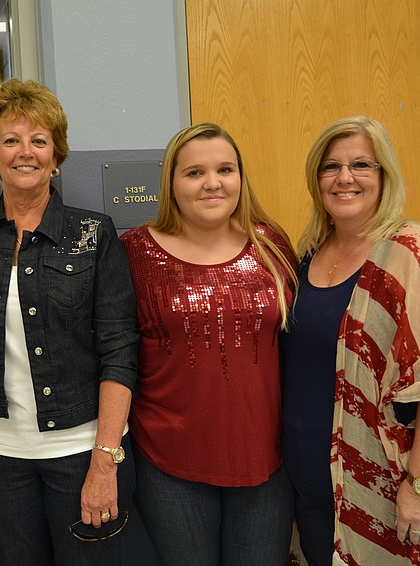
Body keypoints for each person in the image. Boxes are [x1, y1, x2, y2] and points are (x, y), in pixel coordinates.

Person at [280, 115, 420, 565]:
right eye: (330, 166)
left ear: (385, 176)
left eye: (362, 165)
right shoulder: (308, 253)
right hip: (313, 479)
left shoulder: (415, 254)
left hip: (391, 483)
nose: (344, 178)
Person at [0, 78, 139, 565]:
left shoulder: (93, 235)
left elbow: (120, 351)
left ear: (56, 154)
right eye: (11, 140)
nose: (24, 152)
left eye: (39, 140)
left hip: (80, 452)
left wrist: (104, 459)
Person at [119, 123, 298, 565]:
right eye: (194, 172)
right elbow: (104, 347)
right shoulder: (134, 252)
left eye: (225, 169)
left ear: (241, 178)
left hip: (266, 460)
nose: (213, 183)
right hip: (169, 461)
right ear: (172, 184)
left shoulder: (271, 244)